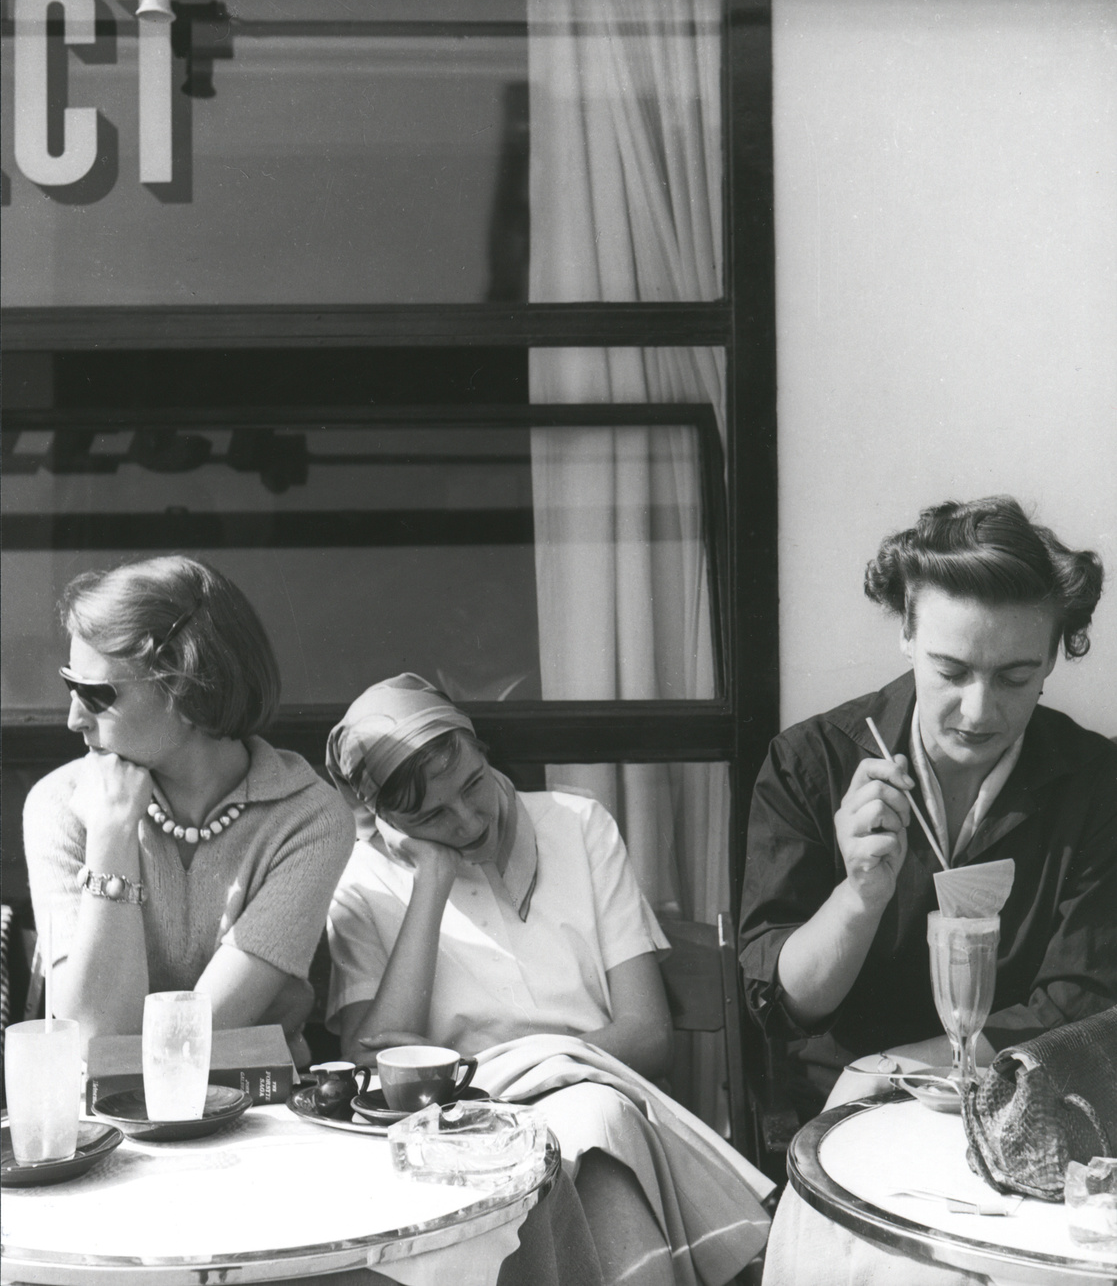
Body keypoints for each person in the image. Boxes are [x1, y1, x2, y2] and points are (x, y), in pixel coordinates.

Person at [739, 496, 1116, 1286]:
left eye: (1015, 676)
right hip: (841, 1126)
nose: (979, 712)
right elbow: (782, 1003)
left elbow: (1078, 999)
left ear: (1055, 655)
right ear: (906, 631)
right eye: (950, 672)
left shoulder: (1096, 785)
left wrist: (904, 1065)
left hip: (1025, 1127)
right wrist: (859, 893)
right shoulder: (810, 764)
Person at [325, 673, 772, 1286]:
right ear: (389, 819)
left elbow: (647, 1035)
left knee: (591, 1120)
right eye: (432, 815)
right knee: (591, 1128)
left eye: (473, 784)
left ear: (483, 750)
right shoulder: (363, 885)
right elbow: (378, 1070)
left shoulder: (579, 825)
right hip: (457, 1145)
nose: (466, 819)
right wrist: (431, 884)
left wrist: (529, 1072)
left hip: (597, 1104)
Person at [24, 556, 355, 1061]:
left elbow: (181, 1049)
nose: (73, 720)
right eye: (72, 686)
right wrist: (112, 834)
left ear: (186, 687)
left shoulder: (309, 819)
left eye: (92, 694)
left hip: (262, 1116)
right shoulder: (60, 803)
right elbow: (94, 1043)